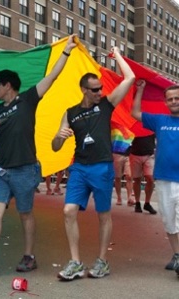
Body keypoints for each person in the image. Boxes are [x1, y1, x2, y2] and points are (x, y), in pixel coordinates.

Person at [0, 34, 77, 276]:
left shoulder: (28, 99)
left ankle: (29, 256)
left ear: (8, 85)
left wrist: (66, 51)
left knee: (25, 213)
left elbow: (52, 77)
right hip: (3, 170)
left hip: (26, 169)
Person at [51, 46, 135, 280]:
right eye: (95, 90)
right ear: (84, 90)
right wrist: (60, 137)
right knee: (68, 210)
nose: (100, 92)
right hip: (79, 167)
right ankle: (76, 262)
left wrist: (116, 54)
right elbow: (55, 146)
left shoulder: (106, 104)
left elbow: (130, 78)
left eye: (101, 88)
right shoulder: (70, 113)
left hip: (101, 167)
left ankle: (101, 262)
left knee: (103, 214)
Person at [131, 81, 179, 273]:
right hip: (163, 179)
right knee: (168, 220)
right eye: (171, 99)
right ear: (165, 102)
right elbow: (134, 113)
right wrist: (141, 90)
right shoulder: (160, 120)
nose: (174, 101)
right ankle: (177, 255)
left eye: (177, 98)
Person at [129, 135, 157, 214]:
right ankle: (137, 203)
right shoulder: (134, 125)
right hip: (135, 154)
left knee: (150, 179)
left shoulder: (151, 125)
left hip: (149, 154)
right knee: (137, 179)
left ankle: (147, 203)